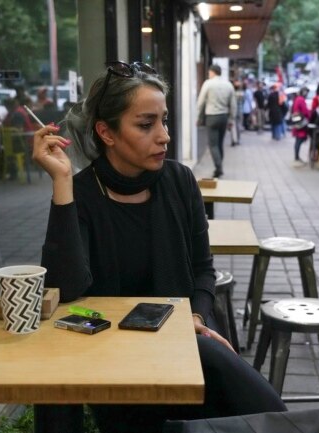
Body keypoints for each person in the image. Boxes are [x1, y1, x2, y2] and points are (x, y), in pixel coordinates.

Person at [32, 61, 286, 433]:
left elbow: (203, 270)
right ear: (107, 132)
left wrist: (196, 319)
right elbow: (65, 289)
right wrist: (63, 184)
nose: (164, 136)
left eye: (164, 121)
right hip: (110, 354)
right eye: (146, 124)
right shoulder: (82, 193)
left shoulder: (180, 181)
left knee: (231, 382)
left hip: (184, 339)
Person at [197, 64, 236, 178]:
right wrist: (231, 119)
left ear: (213, 72)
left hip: (211, 117)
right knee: (220, 143)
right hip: (223, 117)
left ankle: (219, 167)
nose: (208, 74)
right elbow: (233, 105)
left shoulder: (208, 84)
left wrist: (198, 117)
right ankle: (219, 167)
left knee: (213, 144)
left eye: (209, 72)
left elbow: (200, 102)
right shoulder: (228, 85)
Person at [291, 86, 310, 165]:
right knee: (299, 139)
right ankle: (297, 157)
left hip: (297, 121)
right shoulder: (301, 99)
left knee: (298, 140)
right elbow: (305, 111)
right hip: (301, 122)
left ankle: (296, 157)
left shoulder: (297, 99)